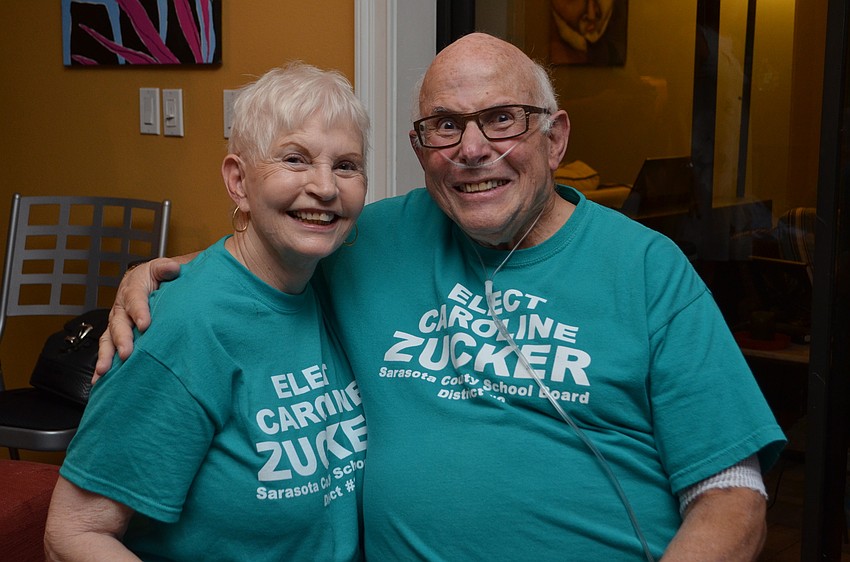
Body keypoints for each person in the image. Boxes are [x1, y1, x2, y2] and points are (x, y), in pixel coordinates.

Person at [99, 33, 785, 560]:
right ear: (421, 147)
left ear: (557, 137)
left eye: (504, 119)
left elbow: (733, 494)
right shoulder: (377, 238)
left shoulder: (645, 267)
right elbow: (271, 248)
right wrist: (168, 276)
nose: (472, 148)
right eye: (445, 126)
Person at [45, 62, 369, 561]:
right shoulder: (181, 327)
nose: (325, 187)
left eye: (346, 165)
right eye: (295, 159)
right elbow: (73, 534)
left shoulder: (333, 274)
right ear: (238, 181)